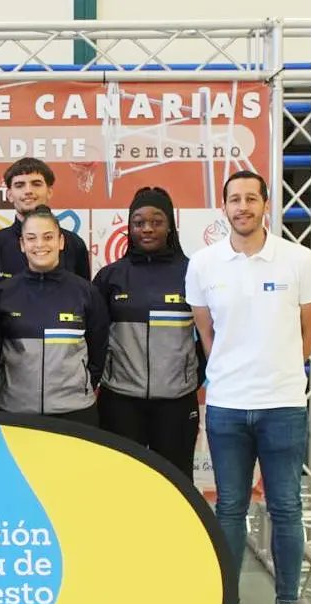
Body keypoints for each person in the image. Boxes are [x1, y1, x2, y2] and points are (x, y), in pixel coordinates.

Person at [185, 170, 311, 604]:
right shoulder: (204, 264)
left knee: (286, 507)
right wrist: (233, 371)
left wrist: (283, 368)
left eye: (251, 198)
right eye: (233, 199)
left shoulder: (298, 259)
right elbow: (207, 336)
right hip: (226, 406)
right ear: (222, 207)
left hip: (283, 405)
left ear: (266, 203)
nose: (242, 206)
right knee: (229, 508)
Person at [93, 187, 201, 480]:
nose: (147, 229)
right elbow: (94, 337)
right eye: (139, 222)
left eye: (156, 221)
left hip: (177, 402)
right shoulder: (110, 276)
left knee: (177, 484)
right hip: (121, 401)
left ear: (170, 226)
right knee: (121, 482)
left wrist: (190, 376)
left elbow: (208, 334)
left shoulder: (193, 273)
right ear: (129, 227)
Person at [0, 205, 107, 425]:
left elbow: (98, 348)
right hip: (14, 410)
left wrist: (82, 386)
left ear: (61, 242)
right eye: (31, 238)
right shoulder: (4, 293)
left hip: (75, 411)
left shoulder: (86, 292)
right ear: (22, 245)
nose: (40, 245)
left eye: (48, 237)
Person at [0, 157, 90, 297]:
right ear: (9, 195)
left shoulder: (74, 244)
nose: (28, 191)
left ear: (49, 192)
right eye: (19, 185)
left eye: (36, 184)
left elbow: (85, 299)